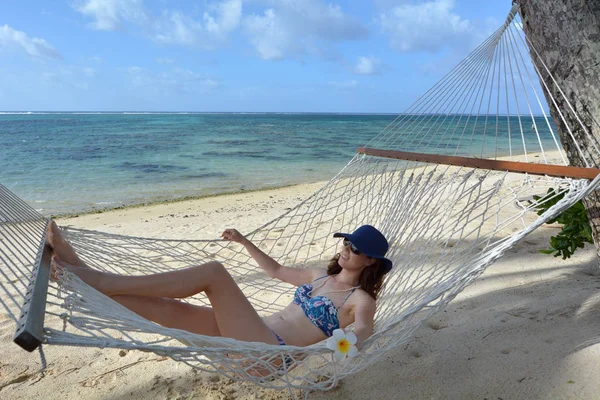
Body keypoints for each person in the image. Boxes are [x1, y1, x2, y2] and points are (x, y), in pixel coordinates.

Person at [47, 221, 392, 349]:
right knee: (170, 310)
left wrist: (345, 342)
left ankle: (96, 278)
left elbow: (364, 328)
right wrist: (244, 242)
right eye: (346, 243)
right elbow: (275, 270)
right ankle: (83, 277)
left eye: (355, 249)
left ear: (371, 261)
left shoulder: (359, 298)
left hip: (270, 353)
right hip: (250, 334)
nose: (346, 250)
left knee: (214, 272)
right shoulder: (319, 274)